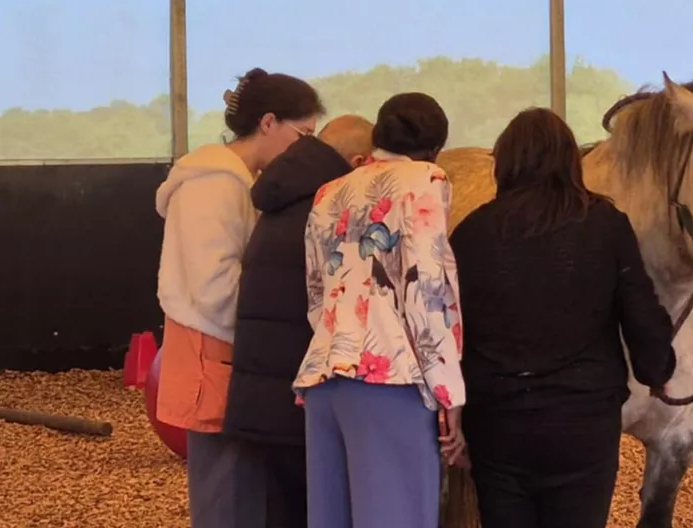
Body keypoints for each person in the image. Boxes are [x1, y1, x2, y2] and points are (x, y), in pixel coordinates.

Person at [448, 107, 678, 528]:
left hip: (497, 423)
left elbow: (452, 331)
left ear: (504, 163)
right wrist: (657, 371)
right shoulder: (606, 225)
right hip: (583, 422)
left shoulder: (471, 232)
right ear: (570, 161)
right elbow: (641, 311)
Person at [154, 67, 324, 528]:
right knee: (227, 493)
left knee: (244, 487)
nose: (305, 149)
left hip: (229, 352)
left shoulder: (238, 181)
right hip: (216, 352)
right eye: (303, 135)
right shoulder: (214, 184)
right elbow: (213, 287)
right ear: (268, 123)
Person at [293, 92, 465, 528]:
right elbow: (426, 289)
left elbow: (316, 291)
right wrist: (449, 391)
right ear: (436, 147)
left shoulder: (330, 190)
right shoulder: (426, 179)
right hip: (390, 379)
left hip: (324, 378)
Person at [222, 114, 376, 528]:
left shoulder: (281, 195)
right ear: (359, 162)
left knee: (281, 508)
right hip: (298, 394)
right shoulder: (331, 208)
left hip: (259, 394)